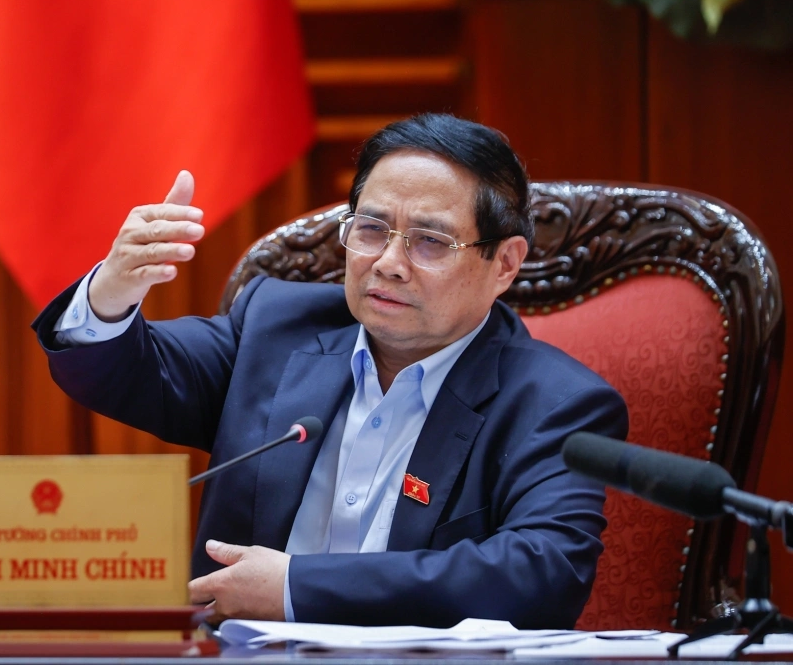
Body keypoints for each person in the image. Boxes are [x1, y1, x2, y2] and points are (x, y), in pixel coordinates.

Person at [33, 113, 629, 628]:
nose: (388, 263)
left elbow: (543, 572)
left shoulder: (555, 404)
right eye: (371, 230)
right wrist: (112, 294)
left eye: (429, 241)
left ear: (505, 264)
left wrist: (296, 588)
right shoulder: (275, 330)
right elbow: (125, 374)